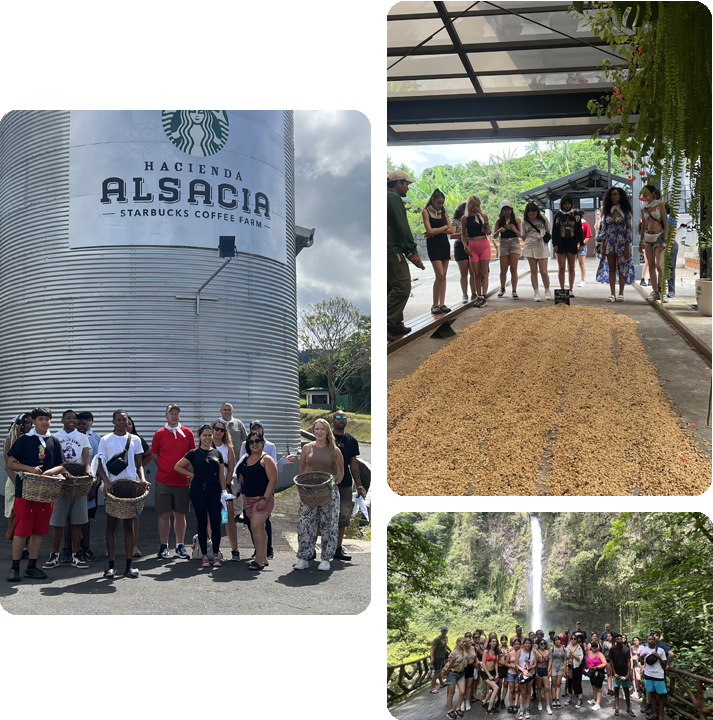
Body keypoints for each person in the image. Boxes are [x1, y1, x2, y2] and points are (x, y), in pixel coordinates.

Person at [6, 407, 66, 582]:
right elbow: (11, 463)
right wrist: (30, 469)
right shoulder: (24, 440)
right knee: (22, 531)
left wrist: (50, 472)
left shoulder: (54, 441)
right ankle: (14, 567)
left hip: (46, 492)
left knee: (39, 531)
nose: (44, 422)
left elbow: (61, 465)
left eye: (47, 419)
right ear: (33, 421)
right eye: (40, 418)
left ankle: (31, 567)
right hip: (25, 490)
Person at [96, 409, 149, 578]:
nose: (122, 422)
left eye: (124, 419)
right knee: (111, 525)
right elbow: (99, 463)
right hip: (113, 487)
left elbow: (139, 463)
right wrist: (106, 482)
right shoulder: (105, 439)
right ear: (113, 421)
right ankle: (110, 566)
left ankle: (128, 566)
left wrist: (141, 479)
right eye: (118, 419)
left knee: (129, 526)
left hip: (131, 485)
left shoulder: (135, 439)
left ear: (128, 422)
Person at [43, 409, 92, 570]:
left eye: (74, 418)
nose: (72, 420)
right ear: (62, 420)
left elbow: (86, 455)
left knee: (77, 521)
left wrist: (88, 468)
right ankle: (55, 554)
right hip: (61, 482)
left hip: (78, 482)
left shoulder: (82, 437)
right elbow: (54, 458)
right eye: (68, 418)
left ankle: (76, 554)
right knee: (57, 522)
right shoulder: (55, 437)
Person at [294, 418, 344, 572]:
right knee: (305, 524)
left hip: (328, 493)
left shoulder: (334, 450)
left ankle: (326, 558)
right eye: (317, 429)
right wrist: (304, 486)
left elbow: (340, 472)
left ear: (328, 431)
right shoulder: (307, 448)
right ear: (313, 431)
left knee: (329, 525)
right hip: (309, 492)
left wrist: (333, 484)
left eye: (322, 429)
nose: (319, 432)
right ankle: (304, 557)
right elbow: (302, 469)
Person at [174, 424, 226, 570]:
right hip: (198, 489)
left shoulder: (217, 453)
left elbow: (221, 475)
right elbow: (177, 466)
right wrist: (191, 475)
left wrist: (224, 492)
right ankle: (204, 555)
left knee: (216, 523)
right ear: (199, 437)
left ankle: (215, 554)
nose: (208, 438)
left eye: (210, 435)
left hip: (214, 488)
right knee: (202, 522)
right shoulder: (193, 453)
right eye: (205, 435)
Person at [151, 403, 196, 560]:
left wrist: (187, 472)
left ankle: (180, 546)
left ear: (180, 416)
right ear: (166, 416)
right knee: (164, 514)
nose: (174, 416)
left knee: (180, 514)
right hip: (163, 481)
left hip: (182, 481)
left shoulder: (187, 433)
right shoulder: (159, 434)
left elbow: (192, 454)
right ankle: (164, 546)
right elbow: (155, 454)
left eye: (176, 413)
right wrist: (165, 467)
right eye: (171, 413)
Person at [385, 170, 425, 340]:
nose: (408, 188)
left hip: (384, 249)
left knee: (389, 287)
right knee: (402, 285)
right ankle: (387, 324)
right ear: (398, 183)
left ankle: (396, 325)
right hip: (391, 249)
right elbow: (402, 225)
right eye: (407, 184)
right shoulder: (393, 198)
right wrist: (412, 250)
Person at [235, 431, 278, 571]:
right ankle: (263, 557)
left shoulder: (267, 459)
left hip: (263, 499)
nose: (254, 444)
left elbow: (273, 480)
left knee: (255, 526)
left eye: (257, 441)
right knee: (260, 528)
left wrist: (265, 499)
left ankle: (259, 560)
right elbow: (241, 476)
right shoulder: (245, 459)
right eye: (251, 441)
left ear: (262, 443)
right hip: (248, 499)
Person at [331, 411, 365, 562]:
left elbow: (353, 465)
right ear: (333, 420)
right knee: (322, 515)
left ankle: (338, 548)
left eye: (344, 418)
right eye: (338, 418)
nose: (341, 420)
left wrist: (359, 485)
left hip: (345, 483)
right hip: (327, 483)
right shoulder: (326, 437)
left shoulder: (351, 440)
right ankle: (315, 548)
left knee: (343, 516)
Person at [596, 186, 635, 301]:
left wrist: (628, 245)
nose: (613, 196)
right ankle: (612, 293)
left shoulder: (626, 211)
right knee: (611, 267)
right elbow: (604, 229)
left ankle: (621, 293)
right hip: (609, 242)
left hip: (622, 242)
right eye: (611, 195)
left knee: (622, 266)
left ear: (621, 196)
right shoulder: (607, 211)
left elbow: (629, 228)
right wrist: (602, 246)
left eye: (615, 194)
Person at [422, 188, 456, 314]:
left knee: (444, 274)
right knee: (440, 274)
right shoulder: (425, 211)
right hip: (433, 245)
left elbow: (451, 230)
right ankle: (434, 303)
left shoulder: (443, 211)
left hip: (444, 244)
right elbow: (430, 231)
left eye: (442, 203)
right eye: (439, 202)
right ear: (433, 200)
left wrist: (436, 230)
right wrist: (444, 227)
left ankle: (442, 303)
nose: (441, 205)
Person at [211, 419, 238, 560]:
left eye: (222, 430)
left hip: (225, 490)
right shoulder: (206, 446)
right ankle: (215, 549)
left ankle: (234, 549)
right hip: (210, 488)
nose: (219, 432)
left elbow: (232, 467)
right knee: (211, 519)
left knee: (227, 518)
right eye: (217, 429)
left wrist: (226, 486)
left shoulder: (228, 448)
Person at [125, 416, 151, 558]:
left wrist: (138, 470)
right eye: (123, 422)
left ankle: (134, 546)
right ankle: (110, 547)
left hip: (134, 479)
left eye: (129, 423)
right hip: (116, 479)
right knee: (114, 514)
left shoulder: (137, 439)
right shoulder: (110, 438)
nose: (126, 425)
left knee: (135, 513)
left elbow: (149, 454)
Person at [76, 411, 100, 561]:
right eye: (78, 423)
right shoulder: (68, 440)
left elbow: (97, 465)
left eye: (84, 423)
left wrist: (94, 487)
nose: (81, 426)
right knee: (70, 519)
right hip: (71, 485)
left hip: (89, 485)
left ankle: (86, 547)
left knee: (86, 518)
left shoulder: (94, 441)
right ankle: (72, 548)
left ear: (89, 424)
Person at [639, 186, 669, 302]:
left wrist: (665, 240)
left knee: (659, 265)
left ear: (652, 193)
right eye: (642, 192)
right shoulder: (644, 208)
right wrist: (641, 241)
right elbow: (643, 225)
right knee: (650, 264)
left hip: (659, 235)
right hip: (647, 236)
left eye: (645, 192)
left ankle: (663, 292)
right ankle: (655, 291)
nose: (643, 195)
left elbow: (666, 223)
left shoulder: (660, 205)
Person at [552, 194, 584, 298]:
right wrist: (555, 244)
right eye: (565, 203)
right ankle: (562, 289)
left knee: (571, 267)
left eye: (568, 203)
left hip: (572, 243)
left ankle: (570, 289)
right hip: (560, 244)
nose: (567, 205)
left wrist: (581, 243)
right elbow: (554, 231)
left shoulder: (577, 215)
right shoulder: (558, 215)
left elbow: (579, 230)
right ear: (562, 204)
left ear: (571, 204)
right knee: (561, 267)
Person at [520, 202, 552, 302]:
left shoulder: (543, 218)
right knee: (533, 270)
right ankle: (536, 292)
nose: (532, 216)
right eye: (530, 215)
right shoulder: (524, 222)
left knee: (543, 271)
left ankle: (547, 290)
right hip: (530, 247)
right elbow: (523, 236)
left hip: (542, 246)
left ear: (537, 212)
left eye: (533, 214)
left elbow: (548, 231)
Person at [464, 195, 492, 308]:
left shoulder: (483, 216)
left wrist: (486, 229)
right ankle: (478, 295)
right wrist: (465, 246)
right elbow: (462, 235)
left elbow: (489, 232)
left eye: (478, 206)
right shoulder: (465, 218)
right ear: (469, 206)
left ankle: (484, 296)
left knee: (484, 272)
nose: (476, 208)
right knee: (476, 273)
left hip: (484, 245)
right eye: (474, 206)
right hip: (472, 246)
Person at [493, 200, 522, 299]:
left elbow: (521, 235)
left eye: (508, 209)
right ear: (502, 210)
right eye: (504, 209)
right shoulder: (499, 220)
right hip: (504, 243)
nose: (506, 211)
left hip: (514, 242)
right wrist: (499, 230)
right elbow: (494, 236)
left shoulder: (516, 220)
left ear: (511, 210)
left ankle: (514, 290)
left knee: (513, 268)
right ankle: (502, 287)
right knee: (503, 269)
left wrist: (514, 229)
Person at [639, 635, 668, 720]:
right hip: (648, 675)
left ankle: (661, 716)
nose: (651, 640)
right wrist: (641, 657)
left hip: (658, 675)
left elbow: (664, 664)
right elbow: (641, 662)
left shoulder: (661, 650)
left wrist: (658, 656)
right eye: (649, 639)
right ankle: (655, 715)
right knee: (652, 695)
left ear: (655, 641)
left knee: (661, 696)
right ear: (647, 641)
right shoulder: (643, 650)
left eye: (652, 639)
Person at [452, 201, 476, 304]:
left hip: (471, 245)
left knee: (473, 272)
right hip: (460, 245)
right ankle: (464, 294)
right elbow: (452, 235)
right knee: (463, 273)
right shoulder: (455, 221)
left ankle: (474, 293)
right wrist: (462, 233)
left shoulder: (472, 220)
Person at [609, 633, 636, 717]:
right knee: (616, 689)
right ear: (615, 640)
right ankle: (617, 707)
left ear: (622, 640)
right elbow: (611, 660)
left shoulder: (626, 649)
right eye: (617, 639)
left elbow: (628, 661)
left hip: (625, 673)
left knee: (626, 690)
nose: (619, 640)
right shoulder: (612, 649)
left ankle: (629, 708)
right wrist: (614, 672)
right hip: (617, 672)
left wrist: (628, 674)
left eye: (620, 639)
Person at [444, 637, 469, 719]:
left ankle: (458, 708)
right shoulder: (453, 653)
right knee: (451, 693)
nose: (464, 644)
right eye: (462, 642)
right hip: (453, 674)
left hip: (461, 674)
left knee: (462, 692)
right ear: (457, 642)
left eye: (465, 642)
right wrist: (453, 660)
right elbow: (449, 666)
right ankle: (450, 711)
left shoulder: (464, 650)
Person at [481, 636, 501, 715]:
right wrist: (489, 675)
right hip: (485, 673)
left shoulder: (496, 651)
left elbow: (496, 662)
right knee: (496, 688)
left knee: (491, 690)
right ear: (489, 643)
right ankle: (489, 709)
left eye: (495, 641)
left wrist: (496, 673)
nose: (494, 643)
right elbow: (483, 664)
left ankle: (484, 703)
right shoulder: (486, 651)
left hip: (493, 672)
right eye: (493, 641)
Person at [585, 641, 607, 710]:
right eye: (593, 646)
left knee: (599, 688)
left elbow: (605, 663)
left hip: (599, 672)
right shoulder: (589, 653)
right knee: (593, 686)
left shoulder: (600, 654)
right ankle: (594, 699)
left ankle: (598, 704)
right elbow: (587, 661)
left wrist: (597, 667)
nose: (594, 648)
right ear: (591, 647)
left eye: (596, 646)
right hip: (591, 672)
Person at [517, 638, 536, 719]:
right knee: (523, 693)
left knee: (528, 692)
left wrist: (530, 667)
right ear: (523, 644)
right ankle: (521, 710)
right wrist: (523, 670)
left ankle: (527, 710)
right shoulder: (519, 651)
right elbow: (516, 664)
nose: (527, 644)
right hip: (522, 674)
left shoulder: (533, 652)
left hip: (531, 674)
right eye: (526, 643)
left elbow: (535, 664)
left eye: (529, 643)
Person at [564, 634, 584, 709]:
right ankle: (569, 697)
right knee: (569, 682)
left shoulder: (579, 648)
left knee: (577, 682)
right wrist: (566, 666)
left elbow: (580, 658)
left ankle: (580, 699)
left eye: (574, 639)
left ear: (577, 640)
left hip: (576, 667)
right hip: (569, 667)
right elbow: (565, 657)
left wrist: (573, 654)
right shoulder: (568, 647)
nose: (573, 640)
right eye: (571, 639)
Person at [534, 639, 552, 715]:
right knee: (539, 687)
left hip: (545, 671)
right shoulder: (537, 653)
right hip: (539, 671)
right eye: (541, 644)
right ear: (539, 645)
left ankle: (548, 706)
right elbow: (535, 664)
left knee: (547, 688)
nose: (543, 645)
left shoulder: (548, 652)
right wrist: (536, 673)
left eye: (544, 643)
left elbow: (550, 661)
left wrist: (549, 670)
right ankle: (539, 702)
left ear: (545, 644)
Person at [430, 626, 451, 693]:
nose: (444, 632)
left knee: (440, 671)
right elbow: (432, 649)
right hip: (437, 657)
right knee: (436, 672)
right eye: (443, 631)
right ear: (441, 631)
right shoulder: (437, 639)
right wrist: (432, 658)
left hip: (442, 656)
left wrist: (450, 650)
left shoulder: (445, 637)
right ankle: (432, 688)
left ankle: (441, 683)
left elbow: (445, 645)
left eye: (445, 631)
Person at [506, 638, 522, 715]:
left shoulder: (522, 653)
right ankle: (511, 705)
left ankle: (516, 705)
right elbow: (506, 663)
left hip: (519, 673)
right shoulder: (510, 653)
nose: (517, 646)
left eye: (518, 644)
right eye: (515, 644)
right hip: (511, 673)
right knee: (511, 690)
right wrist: (513, 666)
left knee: (517, 689)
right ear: (513, 645)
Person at [550, 635, 566, 709]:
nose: (557, 641)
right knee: (553, 683)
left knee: (558, 684)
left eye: (558, 639)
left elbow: (565, 660)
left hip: (561, 666)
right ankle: (553, 700)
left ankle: (557, 699)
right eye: (556, 640)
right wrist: (549, 669)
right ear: (554, 641)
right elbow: (550, 659)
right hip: (553, 666)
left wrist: (564, 671)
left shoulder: (564, 649)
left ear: (560, 640)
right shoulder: (552, 648)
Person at [463, 633, 477, 711]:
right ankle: (462, 702)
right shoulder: (462, 648)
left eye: (469, 640)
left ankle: (467, 701)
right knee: (463, 687)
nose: (469, 642)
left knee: (469, 686)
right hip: (463, 668)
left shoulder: (473, 648)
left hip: (471, 668)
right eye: (467, 641)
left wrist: (478, 663)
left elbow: (476, 657)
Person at [578, 217, 593, 286]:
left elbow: (588, 236)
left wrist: (581, 244)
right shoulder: (571, 223)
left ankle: (582, 280)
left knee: (581, 264)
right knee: (571, 265)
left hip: (582, 246)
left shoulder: (584, 224)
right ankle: (570, 280)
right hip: (572, 246)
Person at [497, 635, 511, 710]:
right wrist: (499, 661)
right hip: (500, 668)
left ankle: (503, 700)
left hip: (507, 668)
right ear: (501, 641)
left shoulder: (510, 648)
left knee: (505, 684)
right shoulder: (498, 648)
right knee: (499, 685)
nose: (504, 641)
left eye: (505, 640)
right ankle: (498, 699)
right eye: (503, 640)